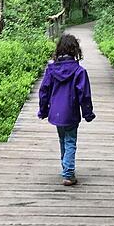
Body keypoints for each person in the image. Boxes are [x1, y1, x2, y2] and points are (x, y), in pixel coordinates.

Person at [37, 34, 96, 186]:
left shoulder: (51, 70)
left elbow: (44, 91)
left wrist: (43, 110)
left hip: (56, 113)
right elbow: (85, 94)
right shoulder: (79, 71)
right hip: (71, 112)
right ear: (75, 51)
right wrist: (88, 113)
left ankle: (66, 168)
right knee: (70, 141)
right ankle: (68, 174)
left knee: (63, 139)